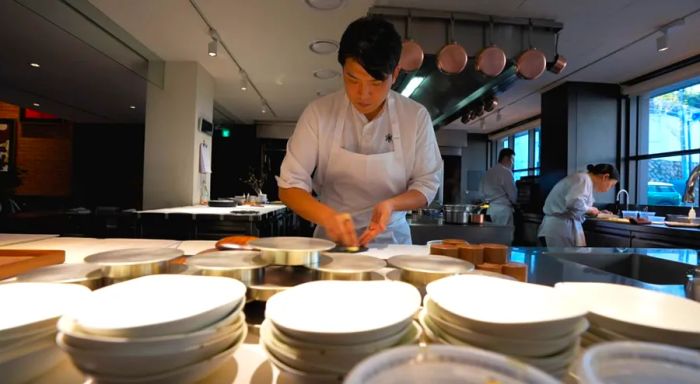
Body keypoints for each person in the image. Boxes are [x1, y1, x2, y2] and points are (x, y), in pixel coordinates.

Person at [276, 16, 442, 246]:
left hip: (391, 244)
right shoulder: (318, 113)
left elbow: (427, 184)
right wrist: (328, 217)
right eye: (352, 79)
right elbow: (289, 186)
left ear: (395, 74)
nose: (363, 94)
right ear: (342, 69)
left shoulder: (415, 117)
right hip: (330, 243)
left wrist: (392, 204)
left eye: (375, 83)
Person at [538, 164, 619, 247]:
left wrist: (598, 212)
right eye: (612, 185)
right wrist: (590, 210)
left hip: (561, 227)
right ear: (605, 177)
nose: (610, 189)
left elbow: (577, 206)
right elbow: (574, 203)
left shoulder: (585, 180)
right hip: (559, 229)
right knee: (559, 259)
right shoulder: (583, 179)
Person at [481, 148, 517, 226]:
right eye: (512, 160)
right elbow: (512, 195)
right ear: (506, 158)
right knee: (505, 236)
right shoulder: (506, 172)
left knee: (492, 235)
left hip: (491, 210)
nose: (513, 163)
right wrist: (515, 202)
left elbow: (481, 193)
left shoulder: (488, 172)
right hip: (503, 210)